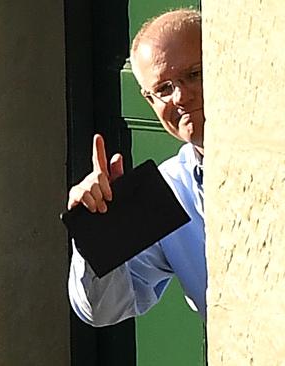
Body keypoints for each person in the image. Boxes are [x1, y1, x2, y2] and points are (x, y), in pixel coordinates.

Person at [67, 8, 206, 327]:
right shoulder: (171, 186)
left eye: (194, 74)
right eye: (164, 89)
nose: (181, 96)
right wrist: (100, 230)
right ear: (149, 102)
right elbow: (102, 312)